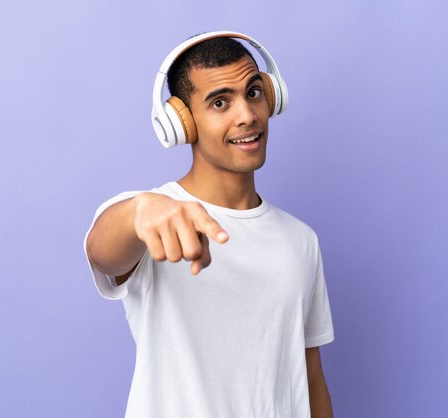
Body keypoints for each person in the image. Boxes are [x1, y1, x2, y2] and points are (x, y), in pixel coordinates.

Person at [84, 31, 335, 417]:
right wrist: (138, 213)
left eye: (253, 93)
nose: (247, 115)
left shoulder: (301, 240)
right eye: (220, 102)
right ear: (181, 122)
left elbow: (311, 378)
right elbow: (104, 254)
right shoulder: (153, 216)